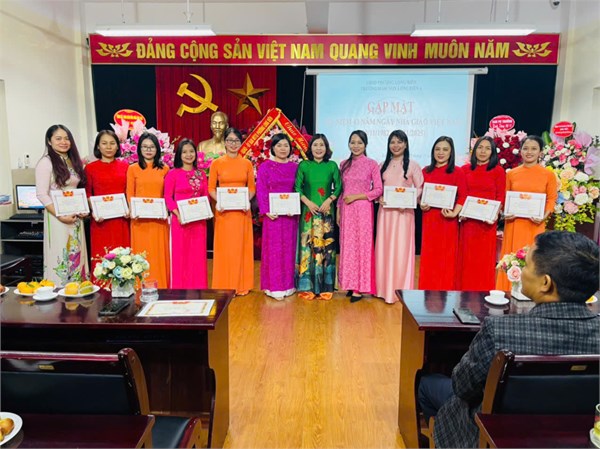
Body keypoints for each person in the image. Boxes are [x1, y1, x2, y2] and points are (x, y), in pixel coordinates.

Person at [418, 231, 600, 448]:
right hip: (579, 437)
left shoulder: (500, 330)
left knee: (427, 384)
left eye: (527, 265)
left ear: (545, 283)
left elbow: (462, 387)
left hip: (495, 436)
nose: (522, 271)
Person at [496, 135, 558, 290]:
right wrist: (505, 212)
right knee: (511, 258)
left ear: (540, 152)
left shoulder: (548, 175)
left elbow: (551, 199)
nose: (529, 152)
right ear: (520, 151)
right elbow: (505, 198)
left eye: (534, 149)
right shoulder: (511, 174)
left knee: (532, 258)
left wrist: (543, 216)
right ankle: (506, 292)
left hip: (535, 225)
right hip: (514, 224)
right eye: (525, 148)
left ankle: (531, 293)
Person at [35, 124, 89, 285]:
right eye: (58, 138)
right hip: (57, 217)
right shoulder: (46, 162)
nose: (63, 142)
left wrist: (83, 209)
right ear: (49, 141)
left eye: (66, 138)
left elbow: (77, 189)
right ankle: (60, 291)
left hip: (76, 216)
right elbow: (41, 194)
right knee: (62, 252)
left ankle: (78, 290)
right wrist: (60, 215)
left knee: (77, 253)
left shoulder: (73, 161)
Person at [375, 130, 424, 303]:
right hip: (385, 214)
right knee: (384, 249)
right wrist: (379, 197)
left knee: (401, 250)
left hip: (404, 214)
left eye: (399, 142)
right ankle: (383, 289)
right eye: (392, 142)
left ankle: (400, 291)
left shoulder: (413, 165)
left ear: (406, 144)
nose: (395, 145)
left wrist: (409, 201)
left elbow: (420, 187)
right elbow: (378, 188)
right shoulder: (382, 164)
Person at [295, 134, 342, 301]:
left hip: (326, 213)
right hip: (308, 213)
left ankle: (325, 288)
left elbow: (339, 187)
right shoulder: (304, 165)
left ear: (326, 147)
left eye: (322, 145)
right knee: (307, 247)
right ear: (310, 147)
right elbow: (297, 187)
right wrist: (308, 202)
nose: (318, 148)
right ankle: (306, 287)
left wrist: (329, 200)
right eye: (315, 145)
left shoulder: (332, 166)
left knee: (326, 249)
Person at [208, 127, 255, 295]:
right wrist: (221, 201)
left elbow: (251, 189)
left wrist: (244, 200)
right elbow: (211, 188)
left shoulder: (247, 163)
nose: (233, 144)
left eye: (236, 141)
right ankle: (225, 285)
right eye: (230, 141)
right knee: (225, 250)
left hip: (241, 213)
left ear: (241, 143)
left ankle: (241, 285)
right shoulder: (217, 163)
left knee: (241, 249)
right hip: (224, 213)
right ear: (225, 142)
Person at [338, 130, 383, 302]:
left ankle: (360, 287)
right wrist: (338, 210)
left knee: (362, 247)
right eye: (353, 142)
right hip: (346, 210)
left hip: (363, 209)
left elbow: (378, 190)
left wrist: (357, 197)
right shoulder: (343, 164)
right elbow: (341, 191)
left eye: (359, 142)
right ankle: (350, 284)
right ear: (349, 144)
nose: (356, 146)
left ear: (365, 144)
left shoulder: (372, 164)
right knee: (348, 247)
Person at [418, 136, 467, 290]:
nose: (441, 153)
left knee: (446, 260)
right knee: (429, 258)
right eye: (437, 149)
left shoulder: (458, 172)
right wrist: (421, 204)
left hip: (448, 222)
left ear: (451, 152)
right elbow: (419, 195)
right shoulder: (425, 171)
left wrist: (454, 213)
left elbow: (463, 196)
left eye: (445, 149)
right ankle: (426, 292)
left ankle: (446, 293)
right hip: (429, 220)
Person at [458, 136, 506, 291]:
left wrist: (494, 214)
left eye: (487, 148)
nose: (483, 151)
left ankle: (482, 293)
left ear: (492, 152)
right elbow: (460, 194)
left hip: (487, 224)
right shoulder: (464, 170)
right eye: (480, 147)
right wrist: (460, 212)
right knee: (467, 259)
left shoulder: (498, 171)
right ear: (474, 150)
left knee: (484, 260)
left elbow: (501, 196)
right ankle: (464, 293)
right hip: (468, 223)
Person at [256, 133, 299, 300]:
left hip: (289, 216)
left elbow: (297, 189)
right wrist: (266, 210)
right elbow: (261, 189)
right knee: (274, 250)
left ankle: (288, 285)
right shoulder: (265, 167)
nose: (283, 148)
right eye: (279, 145)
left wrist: (294, 207)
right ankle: (273, 287)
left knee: (289, 250)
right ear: (273, 148)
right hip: (272, 216)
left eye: (286, 145)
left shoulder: (295, 167)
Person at [126, 132, 170, 288]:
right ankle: (141, 287)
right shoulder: (132, 169)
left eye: (152, 147)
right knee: (141, 256)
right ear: (139, 149)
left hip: (159, 221)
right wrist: (132, 210)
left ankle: (161, 286)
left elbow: (167, 194)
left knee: (158, 254)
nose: (148, 150)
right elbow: (130, 193)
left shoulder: (165, 169)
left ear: (157, 149)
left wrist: (165, 210)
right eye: (145, 147)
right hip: (140, 221)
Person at [164, 138, 208, 289]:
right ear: (179, 155)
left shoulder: (201, 174)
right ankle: (180, 290)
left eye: (191, 151)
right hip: (180, 221)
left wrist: (204, 212)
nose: (189, 155)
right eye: (184, 152)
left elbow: (205, 197)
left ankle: (199, 289)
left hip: (198, 222)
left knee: (197, 256)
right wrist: (178, 214)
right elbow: (168, 197)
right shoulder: (172, 174)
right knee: (181, 256)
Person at [84, 130, 130, 269]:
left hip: (121, 220)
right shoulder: (90, 168)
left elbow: (129, 192)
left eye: (112, 143)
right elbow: (87, 194)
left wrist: (129, 208)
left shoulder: (126, 167)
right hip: (100, 221)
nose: (108, 147)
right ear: (98, 146)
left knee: (123, 257)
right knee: (101, 258)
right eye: (104, 143)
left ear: (117, 146)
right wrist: (95, 211)